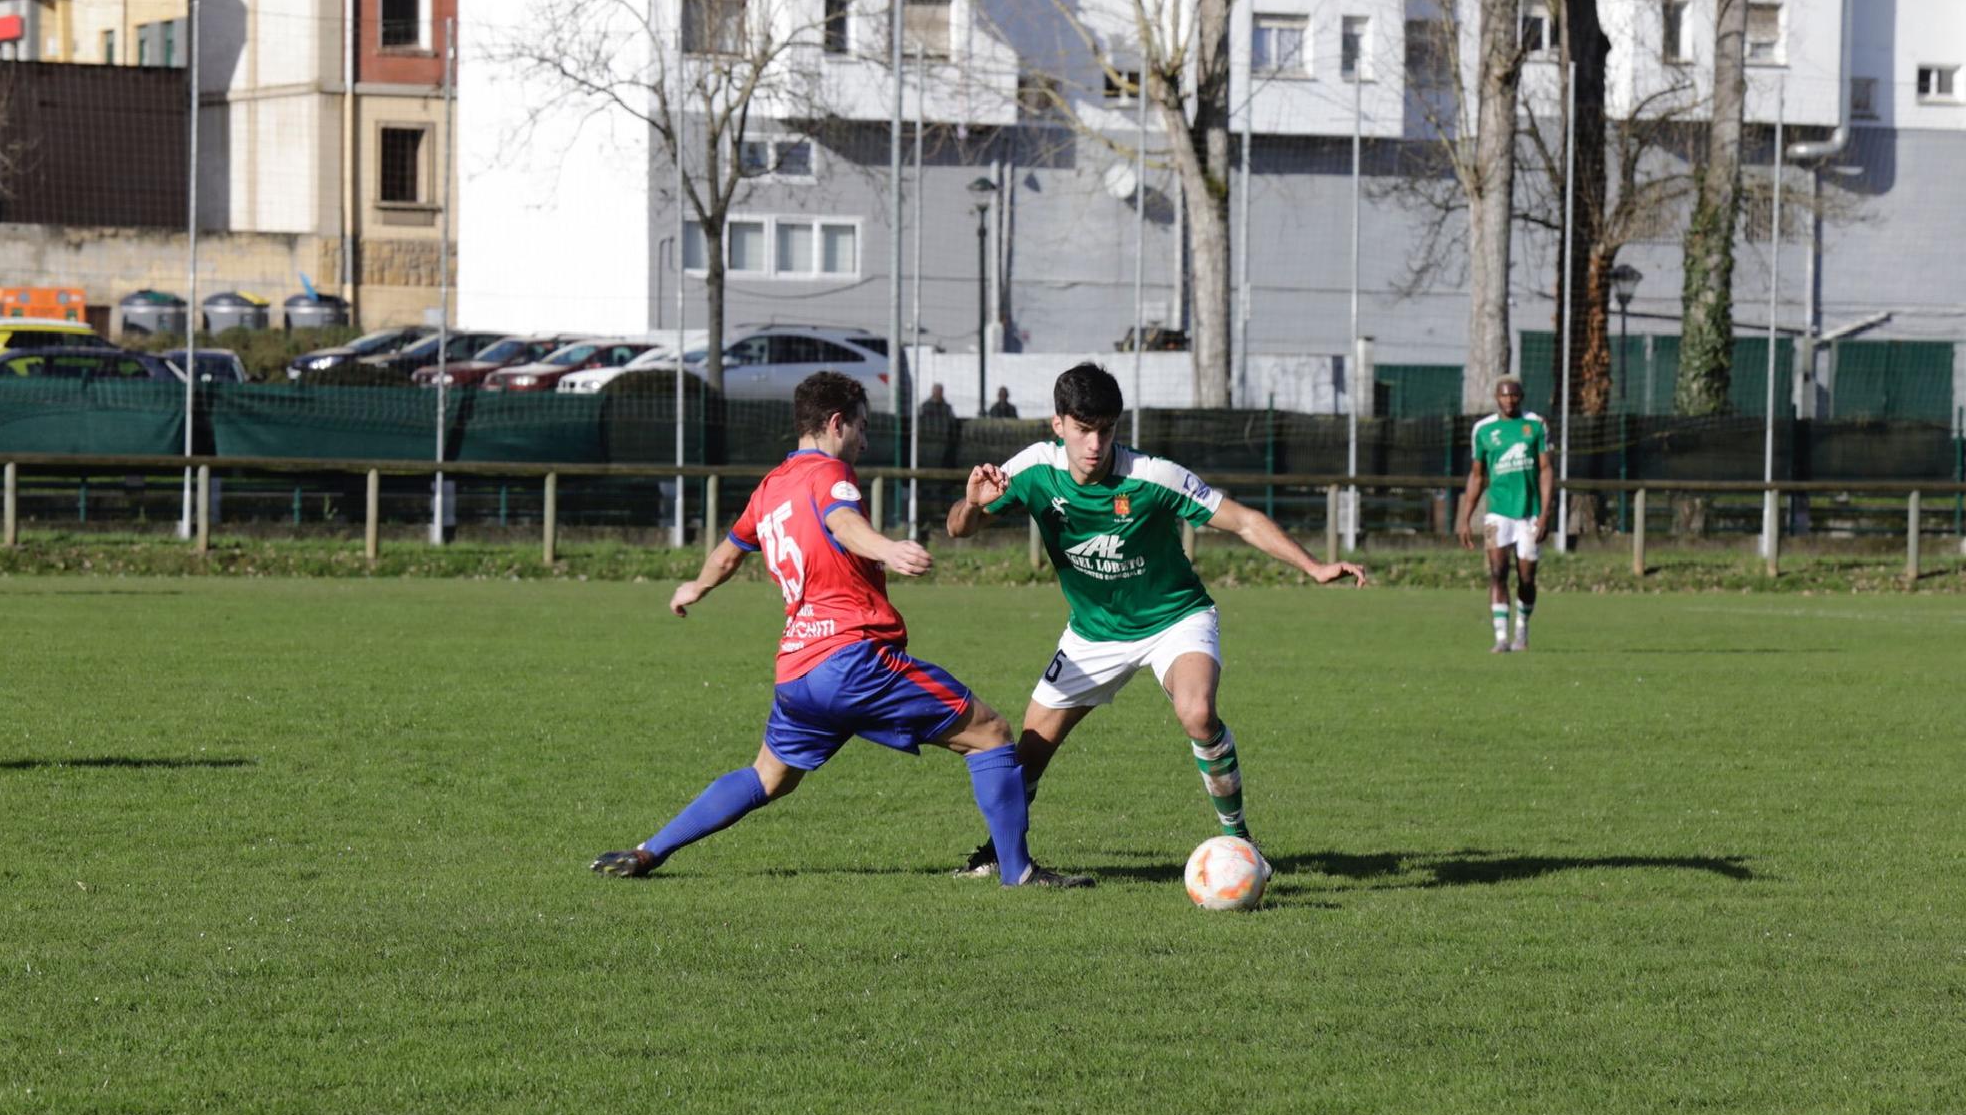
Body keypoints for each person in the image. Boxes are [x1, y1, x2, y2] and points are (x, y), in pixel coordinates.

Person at [594, 370, 1091, 888]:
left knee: (768, 777)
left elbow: (728, 551)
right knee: (991, 734)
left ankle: (649, 851)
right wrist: (888, 548)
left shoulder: (771, 488)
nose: (865, 439)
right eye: (862, 426)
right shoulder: (830, 473)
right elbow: (842, 523)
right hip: (854, 660)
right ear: (836, 423)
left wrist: (693, 588)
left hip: (797, 672)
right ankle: (1018, 872)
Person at [943, 362, 1369, 878]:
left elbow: (1243, 520)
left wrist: (1314, 565)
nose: (1095, 443)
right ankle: (998, 852)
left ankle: (1238, 839)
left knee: (1198, 714)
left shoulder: (1152, 476)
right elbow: (959, 530)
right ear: (1058, 426)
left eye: (1105, 429)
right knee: (1028, 756)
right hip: (1093, 634)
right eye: (1082, 430)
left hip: (1174, 617)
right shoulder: (1033, 468)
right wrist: (971, 503)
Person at [1456, 375, 1554, 653]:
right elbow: (1477, 476)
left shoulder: (1535, 424)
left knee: (1526, 577)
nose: (1509, 400)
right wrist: (1465, 518)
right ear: (1496, 397)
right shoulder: (1483, 430)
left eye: (1514, 395)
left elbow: (1546, 470)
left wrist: (1545, 513)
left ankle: (1521, 629)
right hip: (1497, 513)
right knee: (1498, 572)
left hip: (1530, 513)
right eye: (1504, 395)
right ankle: (1501, 637)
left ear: (1521, 397)